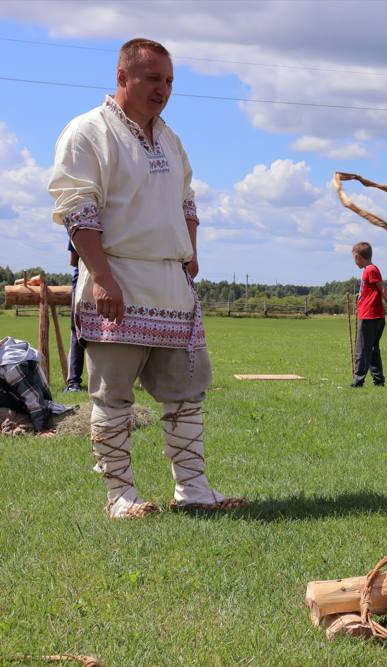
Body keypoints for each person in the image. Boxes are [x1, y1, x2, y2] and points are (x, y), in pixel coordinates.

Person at [47, 38, 245, 518]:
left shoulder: (171, 139)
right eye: (153, 78)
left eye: (170, 81)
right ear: (123, 78)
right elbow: (77, 206)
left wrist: (191, 253)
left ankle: (193, 490)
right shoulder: (87, 131)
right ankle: (120, 496)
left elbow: (187, 202)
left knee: (186, 392)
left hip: (170, 286)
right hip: (116, 279)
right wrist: (100, 276)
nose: (163, 90)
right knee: (113, 396)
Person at [350, 241, 387, 387]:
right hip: (373, 316)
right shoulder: (369, 270)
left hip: (370, 316)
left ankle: (358, 381)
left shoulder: (370, 270)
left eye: (354, 258)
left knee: (362, 349)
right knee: (372, 349)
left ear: (359, 257)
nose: (354, 262)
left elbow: (383, 290)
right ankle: (378, 380)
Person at [65, 240, 86, 392]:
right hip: (111, 278)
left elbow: (73, 261)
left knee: (76, 330)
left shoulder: (78, 219)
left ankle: (73, 382)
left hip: (81, 281)